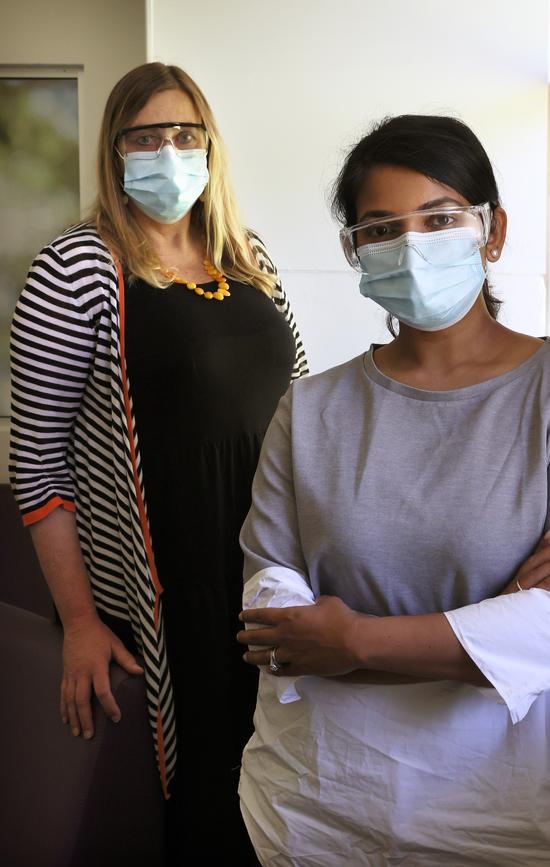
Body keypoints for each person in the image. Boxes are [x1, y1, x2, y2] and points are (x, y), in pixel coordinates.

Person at [236, 115, 550, 866]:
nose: (412, 245)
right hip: (314, 807)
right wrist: (486, 623)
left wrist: (351, 641)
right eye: (381, 228)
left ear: (493, 230)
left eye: (440, 218)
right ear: (355, 252)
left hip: (498, 817)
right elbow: (273, 621)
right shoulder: (311, 408)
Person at [9, 62, 307, 865]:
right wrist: (77, 620)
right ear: (114, 153)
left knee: (285, 790)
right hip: (170, 594)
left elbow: (305, 405)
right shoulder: (74, 269)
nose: (167, 152)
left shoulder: (251, 257)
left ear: (209, 147)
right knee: (205, 806)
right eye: (145, 137)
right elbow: (37, 467)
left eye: (185, 134)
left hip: (272, 577)